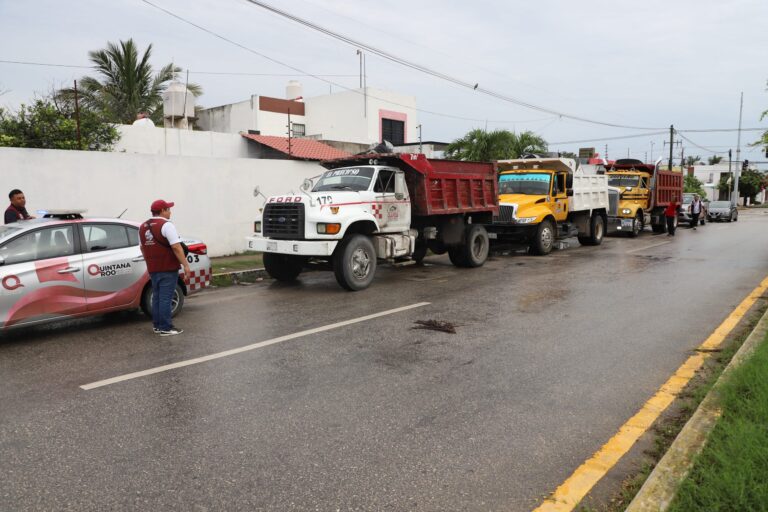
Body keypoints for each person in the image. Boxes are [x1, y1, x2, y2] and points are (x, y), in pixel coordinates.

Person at [139, 199, 191, 336]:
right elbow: (176, 247)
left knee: (157, 297)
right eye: (168, 209)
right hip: (168, 268)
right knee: (165, 298)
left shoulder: (142, 227)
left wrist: (150, 262)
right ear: (162, 211)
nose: (170, 212)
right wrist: (185, 265)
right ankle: (166, 328)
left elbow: (142, 248)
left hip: (153, 269)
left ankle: (157, 325)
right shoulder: (167, 225)